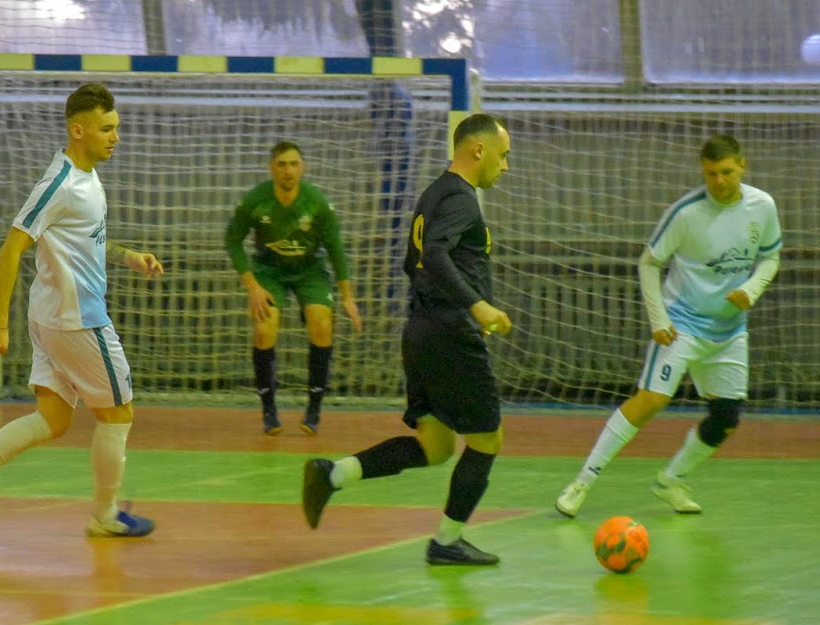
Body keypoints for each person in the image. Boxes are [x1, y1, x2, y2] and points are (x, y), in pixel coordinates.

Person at [0, 83, 163, 537]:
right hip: (78, 320)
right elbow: (12, 247)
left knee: (53, 419)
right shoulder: (59, 183)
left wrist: (126, 256)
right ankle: (106, 514)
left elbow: (81, 240)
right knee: (119, 413)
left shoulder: (88, 176)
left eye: (117, 128)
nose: (115, 137)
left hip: (53, 316)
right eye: (106, 129)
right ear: (78, 130)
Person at [302, 113, 513, 565]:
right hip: (452, 336)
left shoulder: (432, 193)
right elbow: (435, 255)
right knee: (486, 440)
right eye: (504, 153)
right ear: (478, 149)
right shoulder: (461, 199)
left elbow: (411, 263)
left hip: (421, 333)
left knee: (435, 448)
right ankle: (447, 541)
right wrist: (476, 305)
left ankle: (333, 475)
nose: (506, 164)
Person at [555, 135, 782, 518]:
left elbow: (770, 256)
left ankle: (671, 479)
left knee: (726, 419)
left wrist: (752, 288)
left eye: (727, 172)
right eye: (711, 174)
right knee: (653, 399)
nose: (720, 181)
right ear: (703, 171)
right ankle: (582, 482)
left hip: (729, 332)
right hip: (682, 325)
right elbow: (649, 262)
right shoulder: (686, 214)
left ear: (742, 166)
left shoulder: (763, 206)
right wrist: (659, 319)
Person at [225, 141, 363, 436]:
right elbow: (232, 241)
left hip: (309, 270)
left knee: (322, 323)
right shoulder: (255, 201)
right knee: (264, 328)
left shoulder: (317, 203)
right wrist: (252, 287)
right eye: (282, 164)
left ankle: (313, 408)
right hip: (269, 270)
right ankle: (269, 411)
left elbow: (335, 248)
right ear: (271, 167)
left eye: (294, 164)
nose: (288, 170)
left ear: (303, 167)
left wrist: (348, 296)